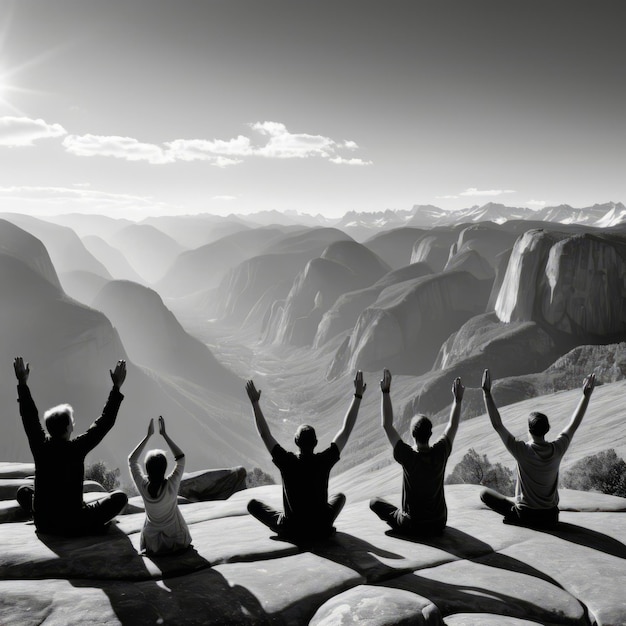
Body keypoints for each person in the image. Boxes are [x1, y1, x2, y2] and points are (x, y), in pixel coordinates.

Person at [245, 371, 366, 543]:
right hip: (320, 528)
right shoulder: (324, 460)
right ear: (316, 442)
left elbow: (265, 434)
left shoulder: (287, 462)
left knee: (253, 505)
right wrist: (358, 395)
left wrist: (255, 403)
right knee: (340, 497)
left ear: (295, 441)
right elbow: (346, 430)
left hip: (293, 529)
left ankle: (287, 523)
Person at [14, 356, 129, 535]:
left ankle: (45, 513)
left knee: (23, 491)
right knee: (120, 498)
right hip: (75, 522)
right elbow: (104, 422)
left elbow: (29, 417)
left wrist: (22, 383)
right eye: (72, 422)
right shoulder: (77, 448)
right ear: (68, 427)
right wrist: (116, 388)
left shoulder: (40, 446)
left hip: (44, 522)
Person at [480, 368, 596, 529]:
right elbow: (573, 424)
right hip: (551, 517)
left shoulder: (521, 450)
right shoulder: (557, 448)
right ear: (547, 429)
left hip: (526, 515)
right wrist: (586, 396)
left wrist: (487, 393)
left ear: (529, 430)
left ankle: (517, 519)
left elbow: (497, 425)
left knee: (484, 494)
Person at [370, 369, 464, 536]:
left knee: (374, 502)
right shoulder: (440, 452)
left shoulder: (409, 457)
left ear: (412, 435)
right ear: (430, 434)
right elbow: (453, 425)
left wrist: (385, 392)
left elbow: (387, 425)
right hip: (439, 523)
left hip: (413, 525)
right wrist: (457, 400)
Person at [128, 416, 192, 555]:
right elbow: (181, 458)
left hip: (153, 544)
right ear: (165, 469)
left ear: (147, 469)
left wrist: (148, 436)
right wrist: (164, 435)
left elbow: (132, 461)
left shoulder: (143, 487)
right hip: (178, 541)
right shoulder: (172, 485)